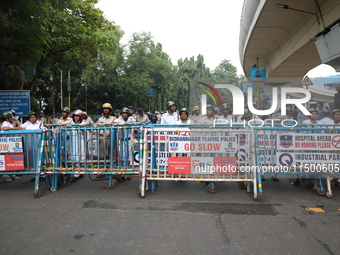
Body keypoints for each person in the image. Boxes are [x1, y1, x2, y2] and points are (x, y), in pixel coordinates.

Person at [1, 111, 23, 182]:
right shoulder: (5, 123)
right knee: (6, 158)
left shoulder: (9, 123)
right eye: (10, 117)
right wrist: (16, 128)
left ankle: (12, 174)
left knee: (10, 157)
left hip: (10, 143)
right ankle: (6, 175)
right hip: (6, 143)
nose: (12, 118)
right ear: (7, 118)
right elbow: (4, 128)